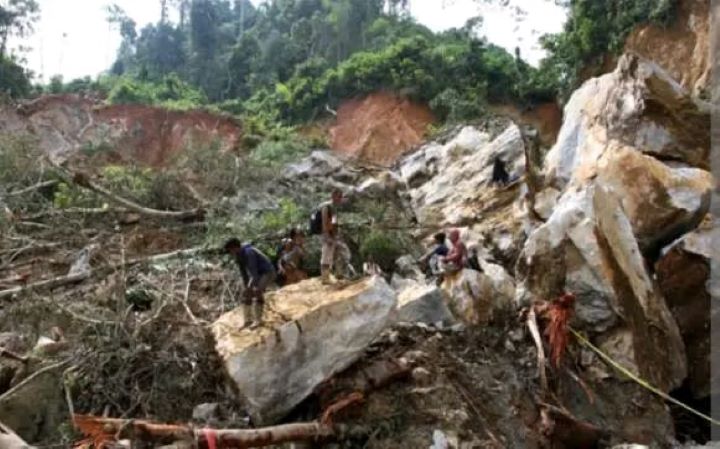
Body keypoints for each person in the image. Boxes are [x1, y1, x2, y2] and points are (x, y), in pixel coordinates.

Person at [223, 238, 276, 305]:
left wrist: (249, 287)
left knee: (257, 291)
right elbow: (244, 274)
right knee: (249, 292)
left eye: (230, 250)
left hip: (268, 272)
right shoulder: (238, 256)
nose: (230, 253)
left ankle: (261, 306)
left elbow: (254, 274)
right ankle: (256, 305)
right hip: (260, 274)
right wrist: (246, 288)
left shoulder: (248, 252)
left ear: (235, 248)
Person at [318, 188, 353, 284]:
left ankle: (339, 273)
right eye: (339, 196)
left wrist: (336, 235)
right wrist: (327, 236)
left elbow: (334, 223)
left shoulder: (334, 208)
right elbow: (324, 223)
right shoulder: (326, 207)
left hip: (333, 236)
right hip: (326, 236)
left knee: (341, 252)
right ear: (333, 196)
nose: (340, 199)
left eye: (341, 197)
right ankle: (325, 278)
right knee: (326, 256)